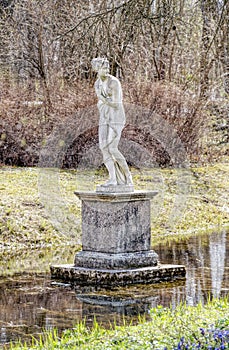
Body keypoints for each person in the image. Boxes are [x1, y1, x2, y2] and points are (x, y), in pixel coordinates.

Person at [91, 57, 133, 186]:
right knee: (103, 147)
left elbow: (115, 103)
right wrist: (103, 100)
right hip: (104, 116)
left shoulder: (114, 82)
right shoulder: (97, 83)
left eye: (108, 68)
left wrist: (102, 99)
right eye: (104, 68)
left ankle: (128, 177)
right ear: (97, 69)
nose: (107, 70)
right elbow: (102, 100)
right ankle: (113, 179)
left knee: (112, 148)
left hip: (116, 117)